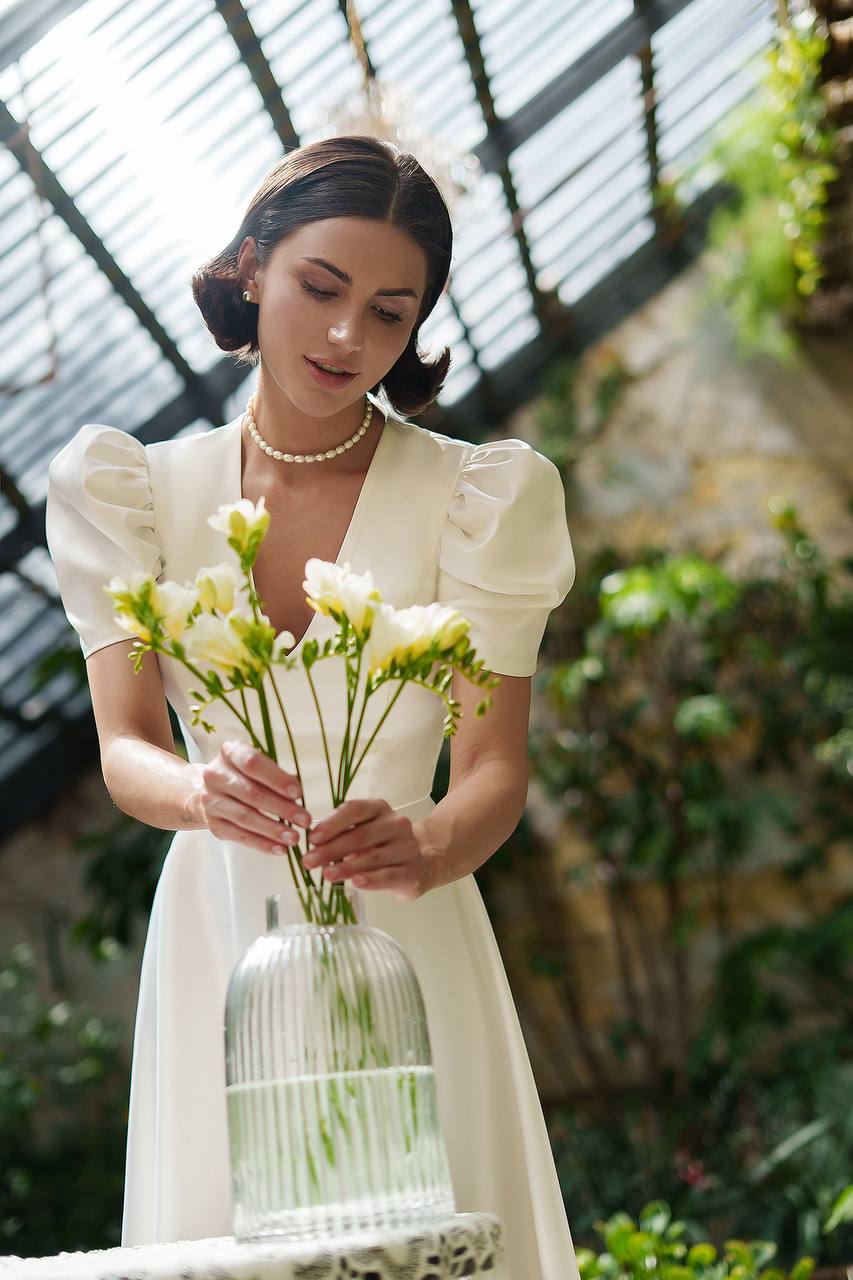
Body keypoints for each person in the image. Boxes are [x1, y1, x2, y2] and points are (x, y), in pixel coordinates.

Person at [45, 134, 579, 1279]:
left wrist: (430, 841)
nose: (348, 337)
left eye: (390, 312)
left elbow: (494, 768)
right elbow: (128, 745)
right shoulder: (132, 491)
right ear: (251, 266)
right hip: (219, 934)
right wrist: (199, 788)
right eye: (320, 288)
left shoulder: (478, 498)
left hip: (410, 929)